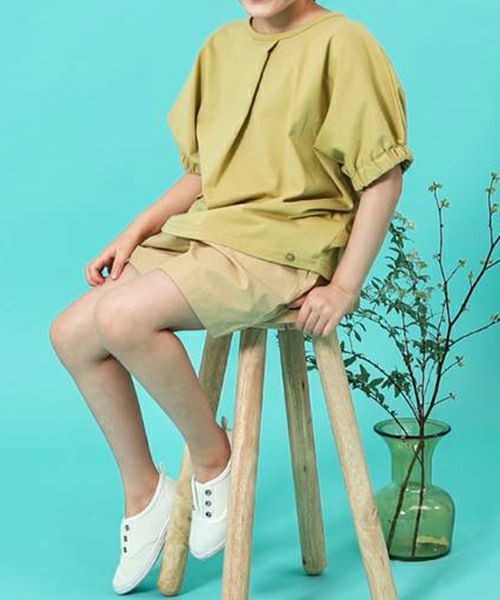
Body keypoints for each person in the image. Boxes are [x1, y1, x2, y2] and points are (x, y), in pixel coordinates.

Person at [49, 0, 414, 594]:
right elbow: (203, 177)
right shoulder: (220, 46)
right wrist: (134, 232)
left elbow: (383, 178)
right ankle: (144, 494)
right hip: (212, 232)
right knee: (69, 333)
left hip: (286, 247)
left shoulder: (344, 44)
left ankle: (214, 456)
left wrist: (345, 286)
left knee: (121, 317)